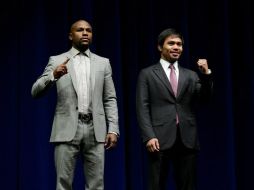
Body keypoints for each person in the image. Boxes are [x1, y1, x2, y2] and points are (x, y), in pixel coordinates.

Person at [31, 19, 119, 190]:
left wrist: (113, 128)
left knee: (96, 185)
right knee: (63, 184)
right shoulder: (57, 60)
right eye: (80, 30)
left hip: (96, 129)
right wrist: (53, 76)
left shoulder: (103, 63)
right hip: (67, 128)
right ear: (71, 36)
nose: (85, 33)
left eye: (89, 30)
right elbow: (35, 91)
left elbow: (110, 98)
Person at [136, 28, 213, 190]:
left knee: (188, 186)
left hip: (187, 138)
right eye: (171, 43)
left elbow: (205, 99)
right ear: (160, 47)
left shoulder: (191, 75)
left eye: (179, 44)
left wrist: (206, 74)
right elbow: (142, 107)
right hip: (159, 138)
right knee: (157, 185)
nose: (176, 47)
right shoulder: (147, 74)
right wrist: (149, 136)